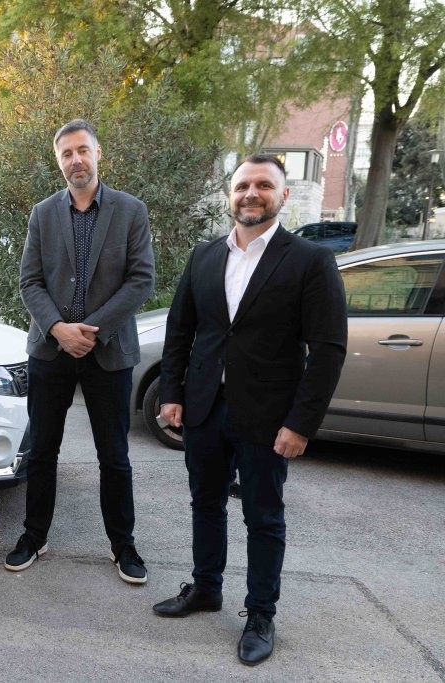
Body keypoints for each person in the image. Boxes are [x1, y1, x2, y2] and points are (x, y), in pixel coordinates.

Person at [153, 154, 347, 666]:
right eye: (242, 186)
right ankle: (206, 588)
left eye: (263, 185)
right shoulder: (204, 256)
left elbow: (328, 349)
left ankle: (261, 613)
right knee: (205, 503)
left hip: (268, 416)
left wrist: (301, 423)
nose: (251, 194)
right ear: (231, 195)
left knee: (263, 517)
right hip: (204, 408)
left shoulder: (309, 260)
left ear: (283, 196)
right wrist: (172, 393)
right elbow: (180, 331)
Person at [4, 119, 155, 584]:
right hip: (50, 352)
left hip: (108, 351)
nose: (76, 160)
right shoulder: (42, 214)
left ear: (98, 153)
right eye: (66, 153)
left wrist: (92, 330)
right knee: (41, 452)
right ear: (59, 161)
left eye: (82, 150)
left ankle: (123, 544)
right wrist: (58, 328)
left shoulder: (130, 211)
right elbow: (29, 281)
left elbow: (141, 279)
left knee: (114, 456)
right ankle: (34, 535)